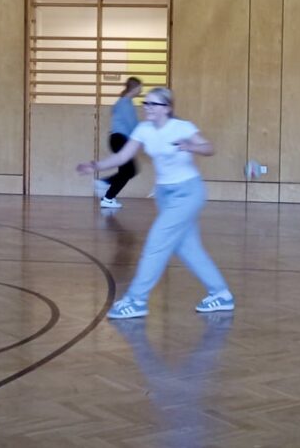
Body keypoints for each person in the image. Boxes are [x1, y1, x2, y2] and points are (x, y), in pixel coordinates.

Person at [76, 87, 234, 319]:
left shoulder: (182, 127)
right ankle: (221, 294)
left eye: (153, 104)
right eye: (146, 103)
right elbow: (122, 157)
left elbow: (209, 148)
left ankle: (136, 300)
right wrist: (95, 166)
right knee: (188, 248)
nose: (147, 107)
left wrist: (191, 146)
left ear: (167, 108)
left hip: (188, 193)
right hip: (164, 195)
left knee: (156, 243)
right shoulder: (144, 129)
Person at [94, 77, 142, 209]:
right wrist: (142, 141)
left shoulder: (123, 102)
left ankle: (108, 195)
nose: (141, 90)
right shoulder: (126, 104)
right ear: (135, 88)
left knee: (128, 171)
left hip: (118, 140)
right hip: (120, 140)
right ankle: (106, 188)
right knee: (129, 171)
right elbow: (133, 125)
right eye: (140, 88)